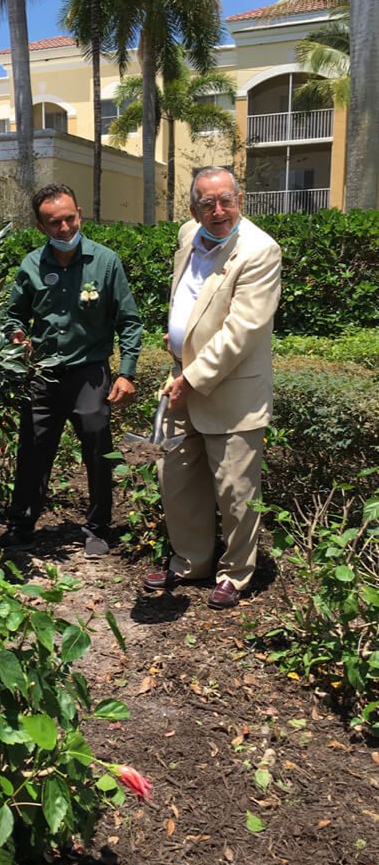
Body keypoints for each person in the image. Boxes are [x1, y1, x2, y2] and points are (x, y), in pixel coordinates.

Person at [144, 166, 281, 608]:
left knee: (235, 490)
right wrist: (176, 339)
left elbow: (243, 330)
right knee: (178, 479)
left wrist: (192, 376)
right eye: (207, 203)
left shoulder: (260, 251)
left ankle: (236, 574)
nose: (218, 210)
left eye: (226, 200)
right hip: (181, 377)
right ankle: (190, 561)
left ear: (239, 200)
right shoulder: (189, 233)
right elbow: (189, 298)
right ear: (192, 208)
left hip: (230, 389)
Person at [0, 183, 143, 559]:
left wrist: (126, 371)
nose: (64, 228)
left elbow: (130, 321)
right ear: (41, 227)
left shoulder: (105, 262)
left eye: (69, 218)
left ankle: (97, 527)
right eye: (53, 222)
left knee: (97, 450)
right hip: (42, 376)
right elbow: (11, 315)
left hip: (89, 374)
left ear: (80, 215)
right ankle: (21, 528)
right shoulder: (30, 265)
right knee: (33, 453)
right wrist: (16, 335)